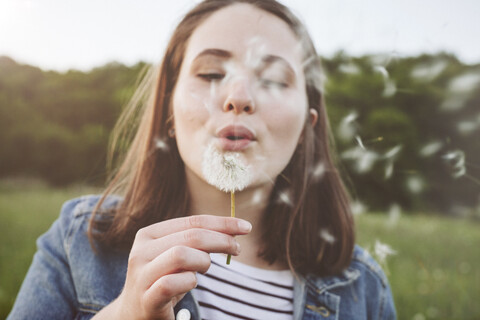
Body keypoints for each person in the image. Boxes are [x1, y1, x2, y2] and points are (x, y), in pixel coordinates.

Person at [8, 0, 396, 319]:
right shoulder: (78, 242)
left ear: (307, 128)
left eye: (275, 79)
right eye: (210, 73)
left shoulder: (363, 290)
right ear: (169, 112)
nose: (238, 96)